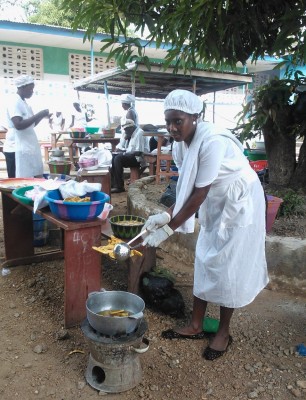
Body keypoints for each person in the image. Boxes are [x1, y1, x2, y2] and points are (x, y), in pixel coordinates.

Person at [141, 89, 269, 361]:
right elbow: (187, 189)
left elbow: (198, 193)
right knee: (205, 257)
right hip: (215, 199)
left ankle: (223, 331)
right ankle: (196, 324)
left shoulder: (212, 142)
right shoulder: (179, 144)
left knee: (229, 265)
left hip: (238, 201)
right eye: (169, 122)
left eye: (179, 121)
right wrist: (165, 215)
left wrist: (168, 228)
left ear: (195, 117)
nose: (173, 128)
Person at [6, 75, 50, 178]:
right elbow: (18, 125)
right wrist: (39, 114)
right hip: (15, 147)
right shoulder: (14, 102)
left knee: (26, 178)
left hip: (25, 146)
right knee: (15, 182)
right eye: (30, 89)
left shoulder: (24, 103)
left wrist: (42, 116)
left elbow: (31, 124)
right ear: (21, 87)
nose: (32, 91)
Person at [111, 119, 149, 193]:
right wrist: (122, 151)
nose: (125, 131)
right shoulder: (132, 134)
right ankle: (114, 184)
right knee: (114, 157)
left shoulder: (139, 133)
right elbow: (130, 150)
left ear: (131, 128)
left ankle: (119, 187)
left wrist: (124, 154)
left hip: (139, 158)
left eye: (126, 130)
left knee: (118, 158)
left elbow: (139, 152)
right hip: (134, 156)